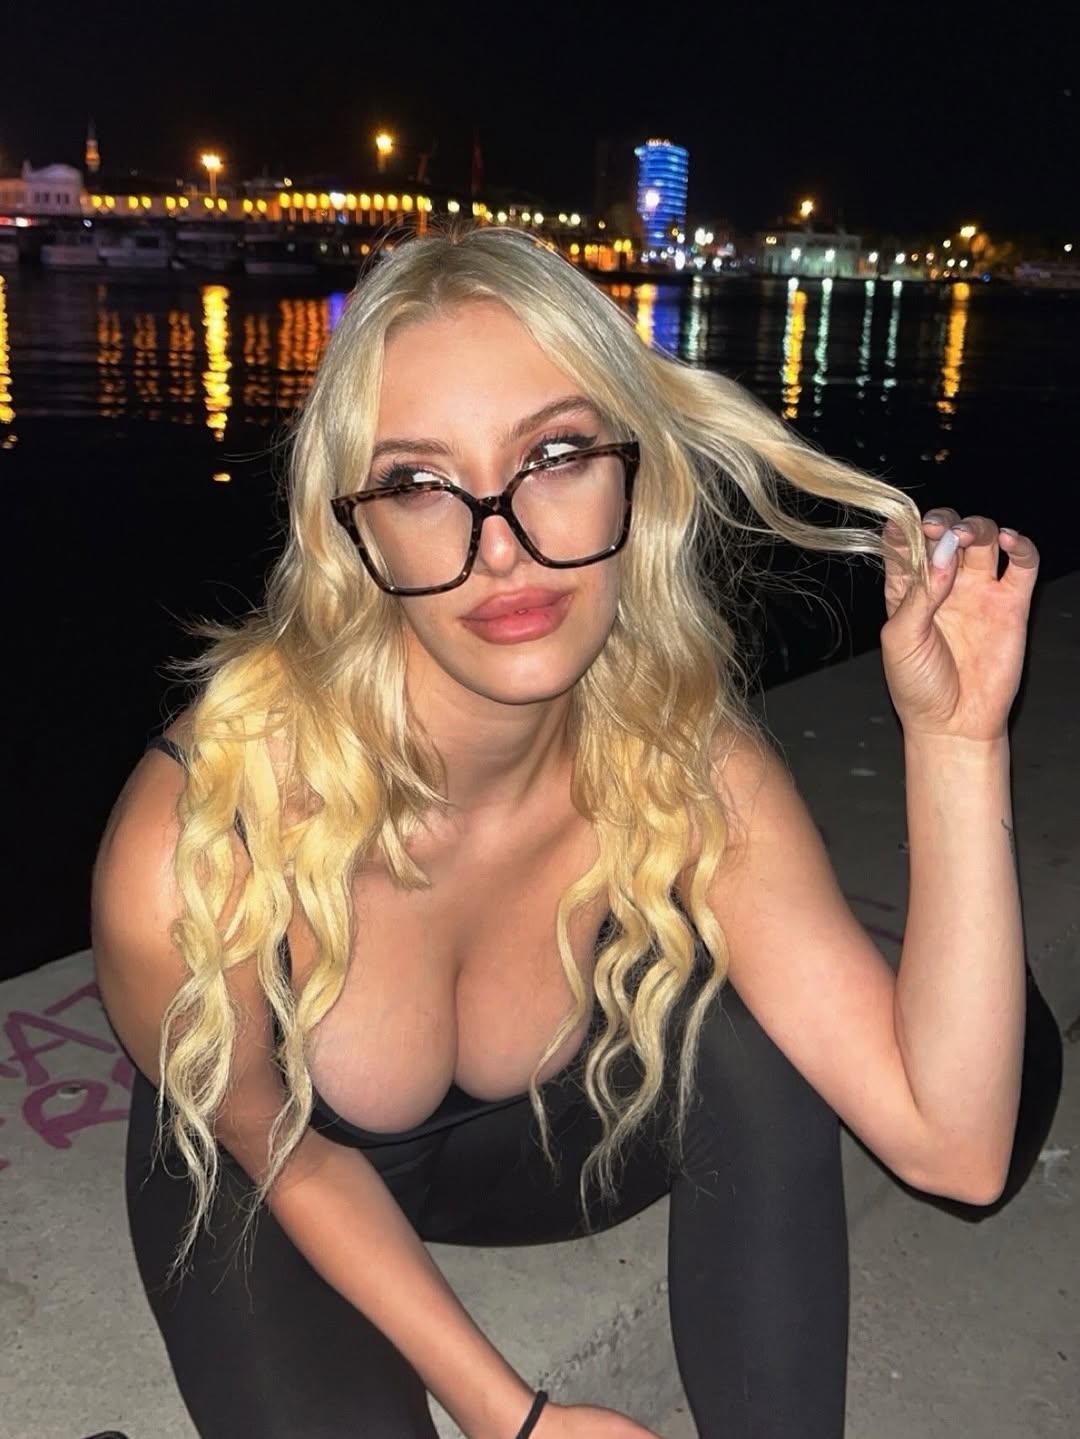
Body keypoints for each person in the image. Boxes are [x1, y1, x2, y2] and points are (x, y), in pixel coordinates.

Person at [91, 226, 1039, 1439]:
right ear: (356, 531)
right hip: (271, 1165)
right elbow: (272, 1140)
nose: (503, 544)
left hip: (547, 1156)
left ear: (632, 475)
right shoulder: (204, 831)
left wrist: (956, 738)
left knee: (753, 1034)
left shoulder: (683, 755)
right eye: (419, 482)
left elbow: (957, 1149)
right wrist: (516, 1416)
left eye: (554, 453)